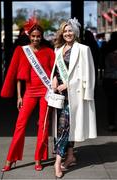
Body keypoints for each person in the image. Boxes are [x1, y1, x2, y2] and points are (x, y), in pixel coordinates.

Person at [0, 17, 55, 172]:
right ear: (29, 36)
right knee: (20, 124)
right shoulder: (22, 51)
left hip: (45, 91)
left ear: (41, 36)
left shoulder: (48, 52)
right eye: (33, 36)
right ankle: (11, 159)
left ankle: (39, 158)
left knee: (43, 125)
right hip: (29, 92)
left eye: (38, 36)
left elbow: (54, 73)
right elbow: (18, 76)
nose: (36, 38)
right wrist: (19, 96)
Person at [51, 18, 97, 178]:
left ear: (75, 32)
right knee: (65, 127)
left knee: (63, 127)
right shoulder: (58, 49)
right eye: (65, 31)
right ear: (61, 34)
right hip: (60, 94)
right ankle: (70, 156)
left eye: (70, 31)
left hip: (74, 94)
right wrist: (54, 79)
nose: (68, 33)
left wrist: (69, 85)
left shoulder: (84, 49)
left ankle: (57, 162)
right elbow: (56, 70)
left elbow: (88, 74)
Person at [103, 32, 117, 131]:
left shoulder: (105, 48)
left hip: (108, 78)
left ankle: (111, 123)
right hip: (114, 77)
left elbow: (102, 64)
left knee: (110, 102)